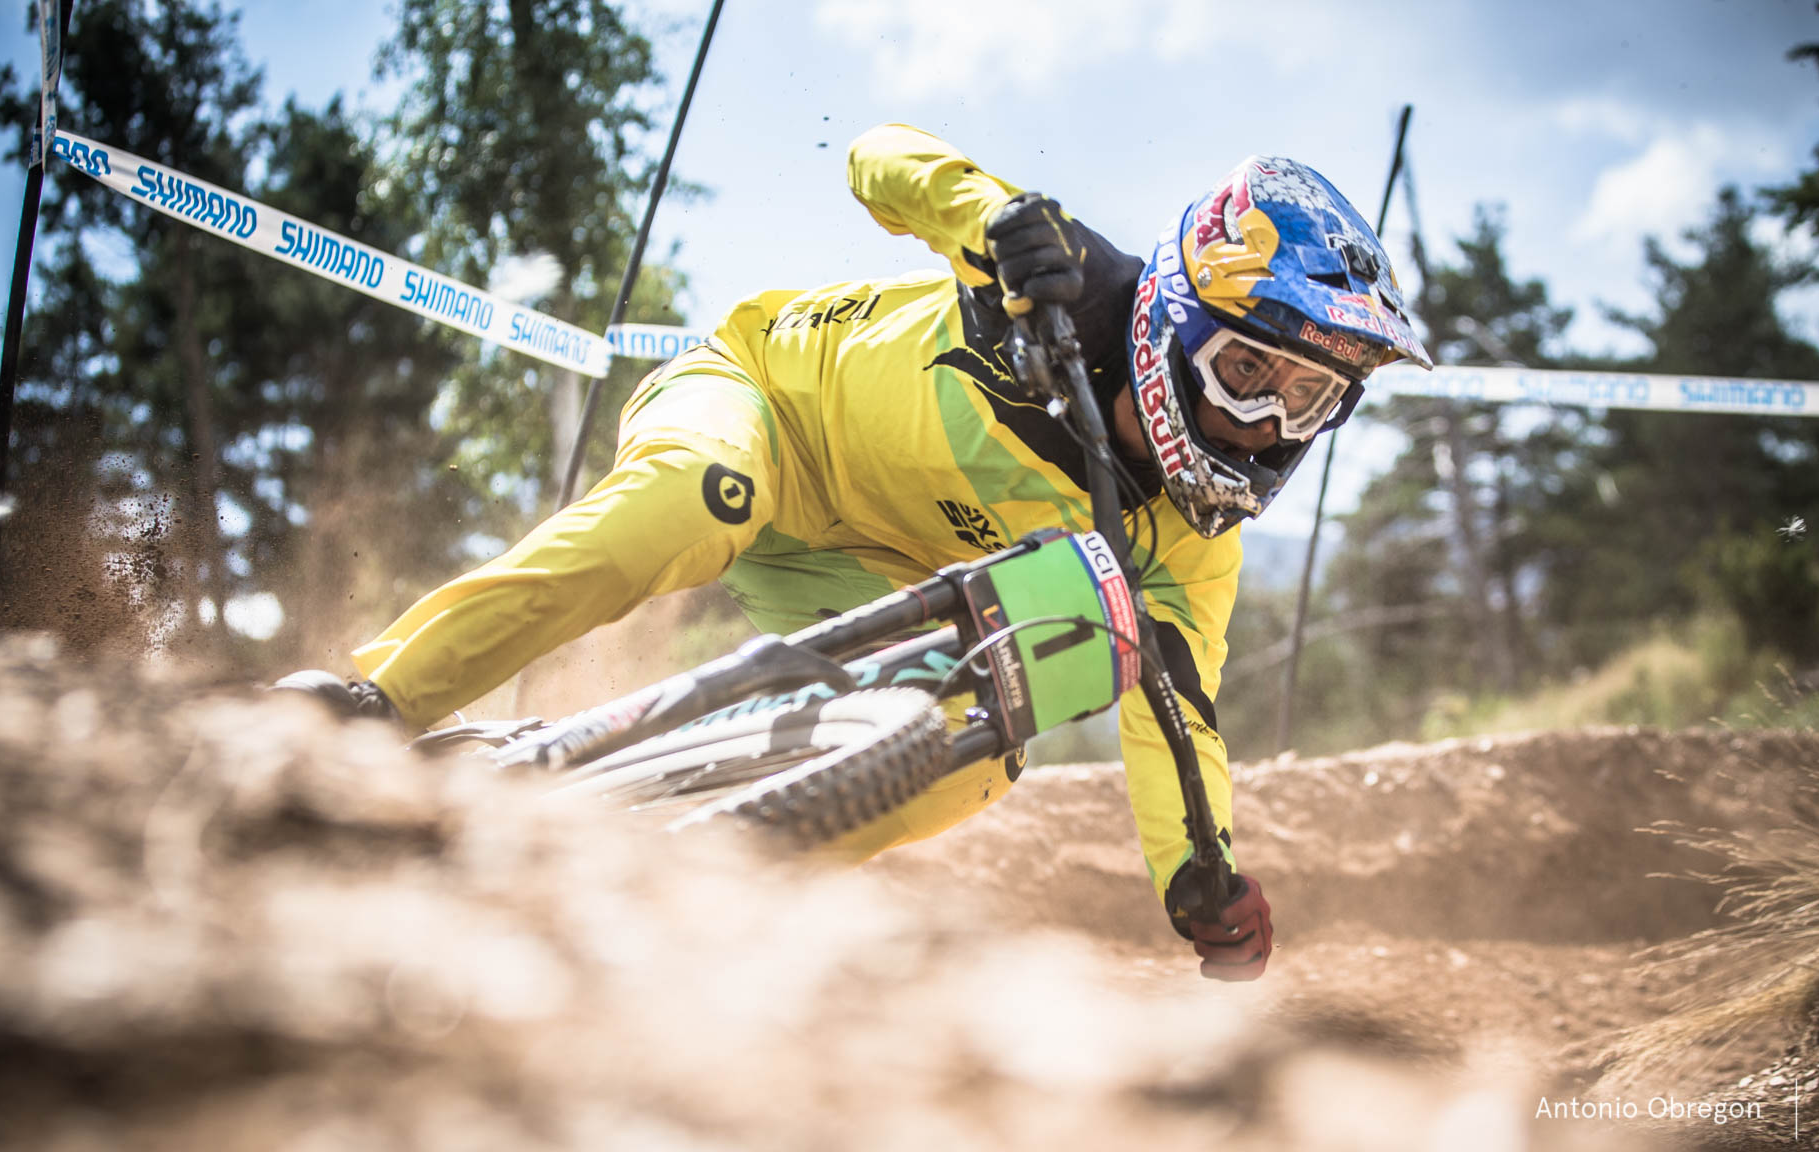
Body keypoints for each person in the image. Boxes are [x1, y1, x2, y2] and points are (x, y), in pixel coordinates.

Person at [279, 123, 1431, 981]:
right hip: (758, 412)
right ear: (1174, 321)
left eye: (1308, 398)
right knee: (699, 499)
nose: (1263, 425)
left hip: (857, 572)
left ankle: (682, 895)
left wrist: (1200, 878)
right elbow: (874, 157)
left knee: (983, 739)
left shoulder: (1190, 544)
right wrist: (983, 212)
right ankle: (367, 701)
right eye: (1245, 374)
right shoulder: (1056, 279)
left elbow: (1172, 718)